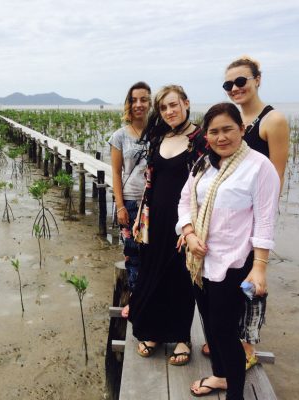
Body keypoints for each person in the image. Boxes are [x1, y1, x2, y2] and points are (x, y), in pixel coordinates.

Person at [177, 103, 280, 398]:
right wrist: (188, 232)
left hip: (235, 263)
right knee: (209, 323)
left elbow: (265, 221)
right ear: (206, 135)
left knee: (224, 331)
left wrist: (259, 267)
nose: (221, 137)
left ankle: (235, 393)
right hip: (199, 259)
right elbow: (185, 201)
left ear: (242, 130)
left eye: (227, 130)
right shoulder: (203, 164)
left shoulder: (259, 167)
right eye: (214, 132)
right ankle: (220, 375)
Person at [200, 56, 289, 369]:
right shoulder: (233, 120)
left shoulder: (272, 120)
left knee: (252, 286)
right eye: (228, 84)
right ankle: (226, 338)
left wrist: (261, 234)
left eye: (241, 81)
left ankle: (247, 346)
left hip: (254, 220)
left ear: (257, 80)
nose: (235, 88)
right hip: (230, 220)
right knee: (228, 285)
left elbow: (275, 178)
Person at [128, 85, 206, 364]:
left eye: (174, 105)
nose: (170, 111)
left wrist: (193, 228)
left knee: (180, 277)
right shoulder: (159, 135)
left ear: (186, 103)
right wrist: (139, 217)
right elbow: (151, 181)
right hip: (155, 218)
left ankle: (182, 337)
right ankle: (154, 332)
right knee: (152, 271)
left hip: (185, 221)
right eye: (163, 107)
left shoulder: (200, 139)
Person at [108, 82, 151, 318]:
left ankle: (153, 296)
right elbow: (115, 173)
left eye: (143, 99)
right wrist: (121, 206)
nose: (139, 104)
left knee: (153, 253)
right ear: (128, 103)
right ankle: (136, 299)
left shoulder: (158, 132)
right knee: (133, 254)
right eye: (134, 100)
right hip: (131, 201)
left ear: (150, 102)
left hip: (154, 203)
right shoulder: (120, 136)